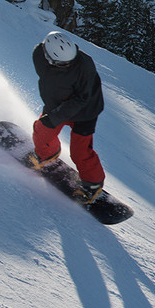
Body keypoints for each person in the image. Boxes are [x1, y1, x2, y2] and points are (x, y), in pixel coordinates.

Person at [30, 30, 106, 200]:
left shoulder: (85, 65)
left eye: (70, 61)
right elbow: (48, 81)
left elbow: (82, 99)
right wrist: (53, 109)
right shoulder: (39, 54)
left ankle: (93, 185)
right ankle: (47, 154)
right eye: (63, 63)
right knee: (41, 132)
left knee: (80, 152)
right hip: (57, 105)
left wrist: (55, 117)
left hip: (85, 111)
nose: (68, 65)